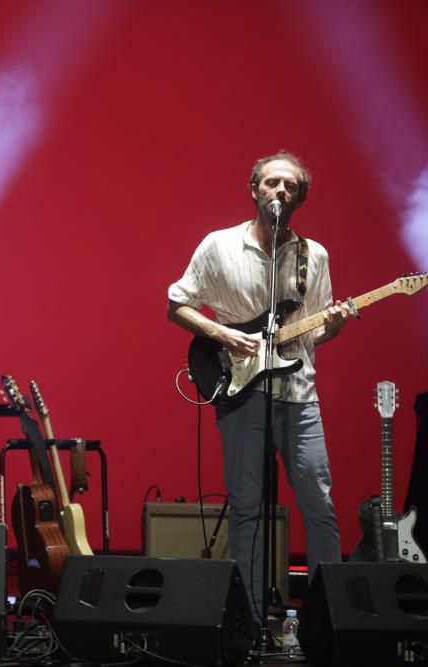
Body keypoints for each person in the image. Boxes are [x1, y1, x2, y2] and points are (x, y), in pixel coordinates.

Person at [167, 151, 351, 619]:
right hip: (241, 391)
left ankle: (324, 620)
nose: (279, 192)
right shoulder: (218, 246)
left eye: (289, 186)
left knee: (319, 504)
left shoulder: (315, 256)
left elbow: (312, 334)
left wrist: (335, 324)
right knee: (246, 507)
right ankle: (248, 619)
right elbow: (177, 304)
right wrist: (222, 333)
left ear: (300, 197)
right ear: (254, 190)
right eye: (271, 183)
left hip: (299, 395)